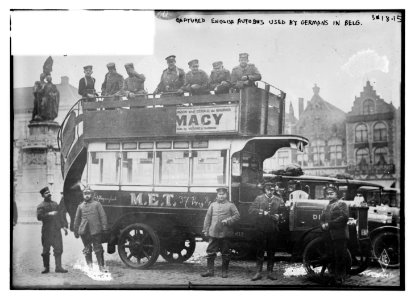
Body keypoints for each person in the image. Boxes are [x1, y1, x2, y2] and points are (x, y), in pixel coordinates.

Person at [201, 187, 240, 278]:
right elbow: (207, 218)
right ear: (217, 195)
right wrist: (205, 229)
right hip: (213, 233)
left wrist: (228, 220)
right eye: (219, 194)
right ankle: (210, 271)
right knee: (210, 252)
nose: (221, 196)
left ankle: (224, 272)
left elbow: (237, 216)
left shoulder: (230, 205)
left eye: (223, 194)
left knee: (225, 253)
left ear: (226, 195)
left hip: (225, 233)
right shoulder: (213, 205)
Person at [248, 182, 284, 281]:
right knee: (260, 251)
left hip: (273, 229)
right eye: (268, 190)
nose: (269, 192)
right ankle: (258, 272)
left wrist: (279, 216)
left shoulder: (278, 199)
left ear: (274, 190)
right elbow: (251, 210)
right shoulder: (259, 198)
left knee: (271, 252)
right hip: (261, 229)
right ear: (265, 190)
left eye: (271, 190)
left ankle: (270, 273)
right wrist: (262, 212)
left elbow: (284, 212)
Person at [74, 186, 108, 272]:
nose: (87, 195)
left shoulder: (97, 204)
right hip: (84, 231)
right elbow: (76, 219)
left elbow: (103, 216)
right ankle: (90, 267)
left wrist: (104, 228)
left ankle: (101, 267)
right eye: (85, 193)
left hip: (96, 230)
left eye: (88, 193)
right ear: (83, 195)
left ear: (92, 195)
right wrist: (76, 231)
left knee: (98, 249)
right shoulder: (80, 206)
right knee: (87, 249)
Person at [320, 184, 349, 286]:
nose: (329, 195)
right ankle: (332, 277)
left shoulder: (342, 204)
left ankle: (340, 278)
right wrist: (322, 224)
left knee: (340, 257)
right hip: (328, 235)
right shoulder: (327, 205)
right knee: (330, 257)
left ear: (337, 194)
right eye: (327, 194)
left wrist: (329, 224)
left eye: (331, 193)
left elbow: (343, 217)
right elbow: (322, 218)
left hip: (339, 235)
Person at [36, 186, 69, 274]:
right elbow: (39, 217)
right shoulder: (40, 206)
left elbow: (60, 217)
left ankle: (58, 267)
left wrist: (64, 227)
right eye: (46, 193)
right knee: (46, 250)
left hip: (56, 231)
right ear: (43, 196)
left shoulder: (55, 204)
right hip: (46, 231)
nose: (49, 194)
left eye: (49, 192)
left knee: (58, 249)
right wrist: (49, 213)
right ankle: (46, 268)